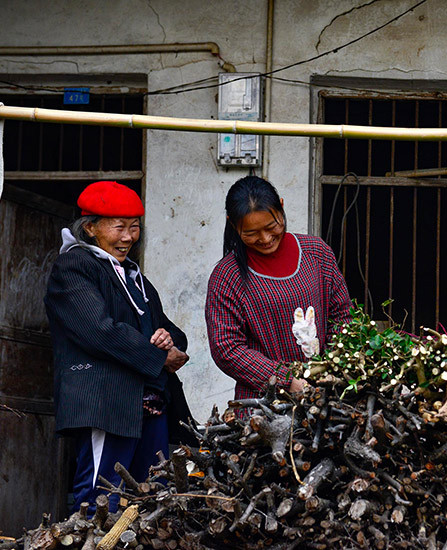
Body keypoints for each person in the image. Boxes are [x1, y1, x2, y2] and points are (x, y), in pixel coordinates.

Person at [44, 181, 192, 513]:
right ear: (90, 228)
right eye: (119, 227)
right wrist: (158, 354)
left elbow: (171, 332)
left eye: (135, 227)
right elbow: (99, 331)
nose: (128, 237)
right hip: (106, 404)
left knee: (154, 497)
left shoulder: (135, 278)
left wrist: (171, 344)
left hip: (150, 406)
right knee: (99, 496)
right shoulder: (74, 267)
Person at [206, 176, 352, 400]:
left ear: (281, 207)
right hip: (263, 405)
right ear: (233, 224)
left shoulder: (317, 252)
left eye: (271, 226)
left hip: (325, 395)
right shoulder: (227, 276)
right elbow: (227, 349)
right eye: (251, 233)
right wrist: (285, 380)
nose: (265, 238)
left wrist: (331, 367)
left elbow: (342, 315)